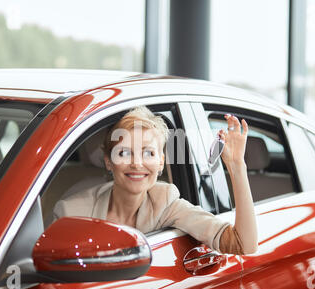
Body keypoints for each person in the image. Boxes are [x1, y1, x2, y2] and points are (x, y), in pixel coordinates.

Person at [53, 106, 258, 255]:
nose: (137, 164)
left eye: (148, 153)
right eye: (124, 153)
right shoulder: (71, 213)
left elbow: (244, 244)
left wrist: (237, 166)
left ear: (161, 162)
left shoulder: (165, 203)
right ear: (108, 161)